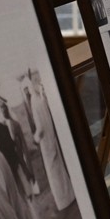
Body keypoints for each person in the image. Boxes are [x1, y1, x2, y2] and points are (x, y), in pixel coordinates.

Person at [30, 78, 75, 210]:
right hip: (52, 139)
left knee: (54, 174)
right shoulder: (41, 100)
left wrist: (35, 139)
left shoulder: (34, 102)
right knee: (59, 170)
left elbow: (40, 128)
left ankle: (62, 202)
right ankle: (69, 196)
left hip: (46, 144)